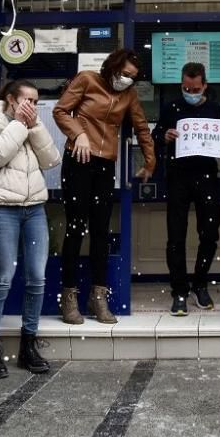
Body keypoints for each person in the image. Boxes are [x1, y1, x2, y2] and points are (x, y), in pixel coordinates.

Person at [53, 49, 155, 325]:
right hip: (78, 159)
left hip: (105, 165)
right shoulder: (87, 80)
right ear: (112, 67)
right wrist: (79, 134)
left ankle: (98, 296)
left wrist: (150, 161)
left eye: (132, 77)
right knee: (75, 227)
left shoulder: (129, 95)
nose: (126, 80)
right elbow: (61, 110)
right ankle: (69, 296)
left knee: (100, 231)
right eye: (124, 74)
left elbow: (142, 127)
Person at [0, 79, 61, 379]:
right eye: (28, 101)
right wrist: (20, 126)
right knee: (2, 279)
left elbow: (52, 160)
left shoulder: (32, 125)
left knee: (37, 278)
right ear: (11, 100)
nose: (33, 107)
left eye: (37, 102)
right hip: (2, 211)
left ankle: (28, 345)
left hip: (35, 210)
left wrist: (35, 126)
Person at [152, 62, 220, 316]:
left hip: (207, 178)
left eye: (194, 87)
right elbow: (155, 135)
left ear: (204, 85)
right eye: (185, 87)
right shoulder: (171, 107)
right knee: (176, 237)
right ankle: (179, 291)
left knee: (210, 232)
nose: (189, 91)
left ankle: (200, 283)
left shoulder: (215, 109)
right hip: (177, 177)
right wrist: (164, 136)